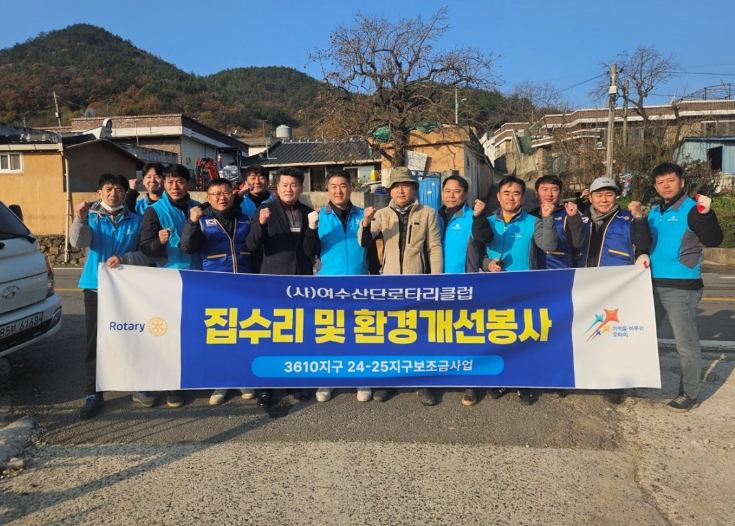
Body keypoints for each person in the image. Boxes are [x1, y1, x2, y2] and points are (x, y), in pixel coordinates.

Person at [358, 167, 444, 406]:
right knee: (391, 333)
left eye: (405, 185)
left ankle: (422, 382)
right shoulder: (383, 214)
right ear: (390, 191)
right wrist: (366, 221)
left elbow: (434, 247)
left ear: (414, 188)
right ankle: (389, 381)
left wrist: (436, 280)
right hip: (391, 283)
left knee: (420, 334)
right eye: (396, 186)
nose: (400, 190)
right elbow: (365, 241)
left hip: (418, 282)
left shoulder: (427, 213)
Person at [70, 174, 152, 418]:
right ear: (99, 193)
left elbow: (146, 254)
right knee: (95, 342)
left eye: (118, 189)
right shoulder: (90, 218)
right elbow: (78, 242)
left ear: (125, 194)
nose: (113, 193)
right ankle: (93, 392)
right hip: (96, 287)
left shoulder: (136, 221)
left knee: (132, 336)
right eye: (108, 189)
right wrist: (80, 219)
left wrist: (125, 258)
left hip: (128, 289)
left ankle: (137, 385)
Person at [472, 175, 558, 406]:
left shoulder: (533, 221)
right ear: (498, 196)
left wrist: (548, 219)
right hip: (494, 289)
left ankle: (523, 381)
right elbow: (476, 254)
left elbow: (549, 245)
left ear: (523, 197)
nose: (511, 198)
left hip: (524, 289)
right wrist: (486, 264)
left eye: (516, 193)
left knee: (522, 336)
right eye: (506, 193)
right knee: (498, 334)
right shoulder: (487, 221)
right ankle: (501, 379)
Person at [648, 162, 723, 412]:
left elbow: (713, 239)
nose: (665, 186)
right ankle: (642, 378)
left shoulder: (692, 210)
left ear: (682, 182)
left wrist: (707, 214)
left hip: (681, 287)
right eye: (660, 182)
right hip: (651, 284)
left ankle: (689, 394)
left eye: (670, 180)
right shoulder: (654, 212)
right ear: (655, 186)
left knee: (686, 343)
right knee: (642, 336)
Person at [179, 178, 256, 406]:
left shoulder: (245, 219)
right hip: (216, 286)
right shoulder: (201, 220)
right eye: (216, 194)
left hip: (244, 284)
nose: (222, 197)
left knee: (243, 332)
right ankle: (221, 382)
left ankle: (243, 379)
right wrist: (192, 222)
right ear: (208, 198)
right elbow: (187, 247)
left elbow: (255, 248)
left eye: (226, 193)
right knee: (221, 333)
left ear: (233, 195)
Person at [303, 169, 377, 404]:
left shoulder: (362, 215)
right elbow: (308, 251)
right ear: (327, 189)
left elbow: (371, 250)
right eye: (333, 186)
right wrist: (312, 229)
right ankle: (328, 379)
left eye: (343, 185)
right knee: (330, 332)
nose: (338, 190)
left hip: (359, 283)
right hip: (329, 285)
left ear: (350, 188)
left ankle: (362, 379)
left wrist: (375, 277)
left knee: (359, 333)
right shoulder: (319, 217)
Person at [578, 176, 652, 405]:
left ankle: (615, 383)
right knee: (585, 332)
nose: (604, 199)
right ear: (590, 197)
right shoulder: (580, 219)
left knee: (613, 336)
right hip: (584, 285)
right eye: (599, 195)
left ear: (616, 197)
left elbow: (644, 243)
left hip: (615, 289)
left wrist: (639, 217)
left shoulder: (627, 218)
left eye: (609, 194)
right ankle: (587, 374)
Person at [246, 167, 315, 407]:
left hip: (301, 281)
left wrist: (313, 228)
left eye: (294, 185)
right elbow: (252, 244)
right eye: (284, 184)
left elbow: (311, 250)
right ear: (277, 188)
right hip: (273, 281)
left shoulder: (307, 212)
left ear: (301, 188)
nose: (289, 189)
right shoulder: (265, 210)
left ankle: (294, 382)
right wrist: (261, 224)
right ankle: (265, 387)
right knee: (270, 333)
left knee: (296, 333)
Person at [139, 163, 202, 408]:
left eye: (180, 182)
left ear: (188, 184)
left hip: (198, 277)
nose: (175, 187)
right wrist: (159, 242)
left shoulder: (198, 207)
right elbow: (146, 247)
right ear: (164, 184)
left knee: (194, 332)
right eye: (170, 182)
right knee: (170, 334)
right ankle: (171, 385)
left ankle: (193, 377)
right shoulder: (154, 210)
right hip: (169, 279)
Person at [437, 175, 484, 406]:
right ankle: (436, 379)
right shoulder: (433, 216)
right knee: (437, 334)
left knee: (465, 333)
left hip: (463, 286)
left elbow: (485, 239)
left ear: (465, 194)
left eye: (456, 191)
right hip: (434, 287)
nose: (451, 195)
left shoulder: (471, 217)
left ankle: (470, 382)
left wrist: (479, 217)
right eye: (447, 190)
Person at [530, 174, 587, 270]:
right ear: (536, 193)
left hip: (559, 270)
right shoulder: (530, 216)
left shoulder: (568, 214)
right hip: (533, 272)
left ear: (560, 193)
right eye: (544, 189)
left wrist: (574, 218)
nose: (549, 194)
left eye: (554, 190)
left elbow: (578, 243)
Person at [239, 165, 276, 274]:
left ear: (267, 181)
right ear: (245, 182)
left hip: (270, 253)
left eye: (261, 178)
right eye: (253, 178)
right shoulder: (238, 202)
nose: (257, 182)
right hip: (244, 251)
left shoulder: (277, 203)